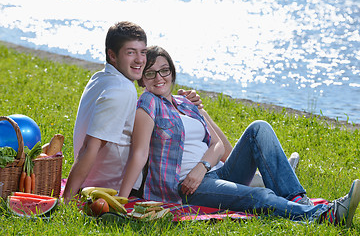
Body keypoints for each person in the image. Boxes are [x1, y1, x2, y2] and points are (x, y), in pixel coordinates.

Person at [119, 45, 360, 227]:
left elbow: (217, 145)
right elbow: (139, 153)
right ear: (142, 79)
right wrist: (121, 200)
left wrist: (202, 166)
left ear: (172, 72)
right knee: (260, 195)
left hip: (211, 173)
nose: (159, 77)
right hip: (186, 187)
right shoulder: (149, 102)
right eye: (150, 73)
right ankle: (323, 215)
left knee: (259, 127)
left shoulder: (185, 103)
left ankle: (299, 200)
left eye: (164, 70)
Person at [62, 22, 201, 202]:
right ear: (112, 55)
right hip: (115, 187)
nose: (140, 60)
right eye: (130, 52)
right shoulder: (122, 90)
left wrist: (179, 100)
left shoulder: (100, 78)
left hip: (95, 180)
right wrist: (67, 198)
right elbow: (90, 147)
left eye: (142, 52)